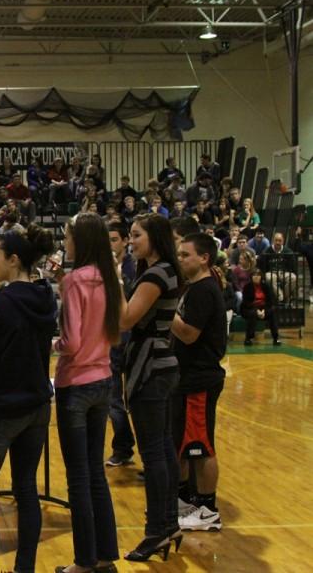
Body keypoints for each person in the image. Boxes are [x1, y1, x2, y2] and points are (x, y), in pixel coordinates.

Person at [0, 225, 56, 573]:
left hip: (5, 408)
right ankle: (25, 568)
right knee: (26, 489)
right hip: (37, 404)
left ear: (14, 260)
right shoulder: (45, 296)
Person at [53, 213, 121, 573]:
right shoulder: (110, 278)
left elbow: (72, 342)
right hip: (104, 379)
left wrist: (55, 342)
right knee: (96, 472)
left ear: (80, 240)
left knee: (78, 477)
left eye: (67, 236)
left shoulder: (74, 280)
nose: (65, 242)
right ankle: (105, 555)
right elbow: (117, 326)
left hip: (75, 384)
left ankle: (82, 563)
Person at [118, 213, 182, 562]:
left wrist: (112, 281)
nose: (131, 240)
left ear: (154, 238)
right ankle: (168, 524)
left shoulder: (157, 273)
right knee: (163, 451)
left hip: (152, 368)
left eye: (136, 235)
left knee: (155, 453)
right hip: (161, 364)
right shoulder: (162, 271)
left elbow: (127, 319)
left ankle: (157, 529)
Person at [171, 233, 227, 533]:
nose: (180, 259)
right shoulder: (195, 288)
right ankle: (185, 501)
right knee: (183, 444)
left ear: (203, 258)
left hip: (200, 379)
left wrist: (164, 311)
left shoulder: (205, 290)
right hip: (188, 378)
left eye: (185, 255)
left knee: (201, 445)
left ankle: (207, 509)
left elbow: (190, 334)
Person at [105, 221, 136, 467]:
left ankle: (136, 449)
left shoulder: (134, 267)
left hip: (132, 337)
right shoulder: (104, 268)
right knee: (114, 398)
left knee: (133, 398)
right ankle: (123, 447)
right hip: (113, 336)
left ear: (125, 241)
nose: (111, 245)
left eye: (115, 239)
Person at [240, 268, 280, 346]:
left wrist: (264, 311)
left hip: (264, 308)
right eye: (254, 275)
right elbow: (246, 303)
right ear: (251, 277)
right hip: (249, 308)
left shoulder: (266, 286)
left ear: (261, 277)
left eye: (258, 275)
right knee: (252, 314)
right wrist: (257, 310)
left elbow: (271, 301)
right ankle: (249, 338)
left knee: (273, 312)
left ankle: (276, 338)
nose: (256, 277)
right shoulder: (247, 287)